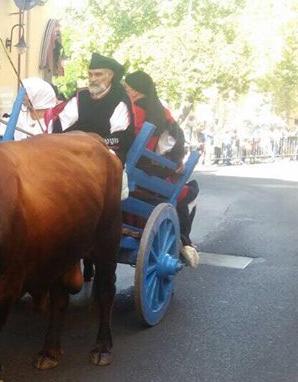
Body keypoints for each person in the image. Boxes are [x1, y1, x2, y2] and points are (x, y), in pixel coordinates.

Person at [123, 70, 199, 268]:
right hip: (155, 170)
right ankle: (184, 240)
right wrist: (176, 162)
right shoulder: (163, 112)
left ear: (136, 90)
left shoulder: (131, 109)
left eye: (127, 88)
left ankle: (183, 239)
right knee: (180, 194)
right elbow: (178, 138)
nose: (126, 91)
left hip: (139, 169)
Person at [58, 52, 136, 162]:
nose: (93, 79)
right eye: (90, 74)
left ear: (110, 76)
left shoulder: (119, 99)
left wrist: (91, 144)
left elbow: (120, 136)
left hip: (105, 155)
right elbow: (62, 123)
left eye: (98, 74)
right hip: (74, 151)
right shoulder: (81, 96)